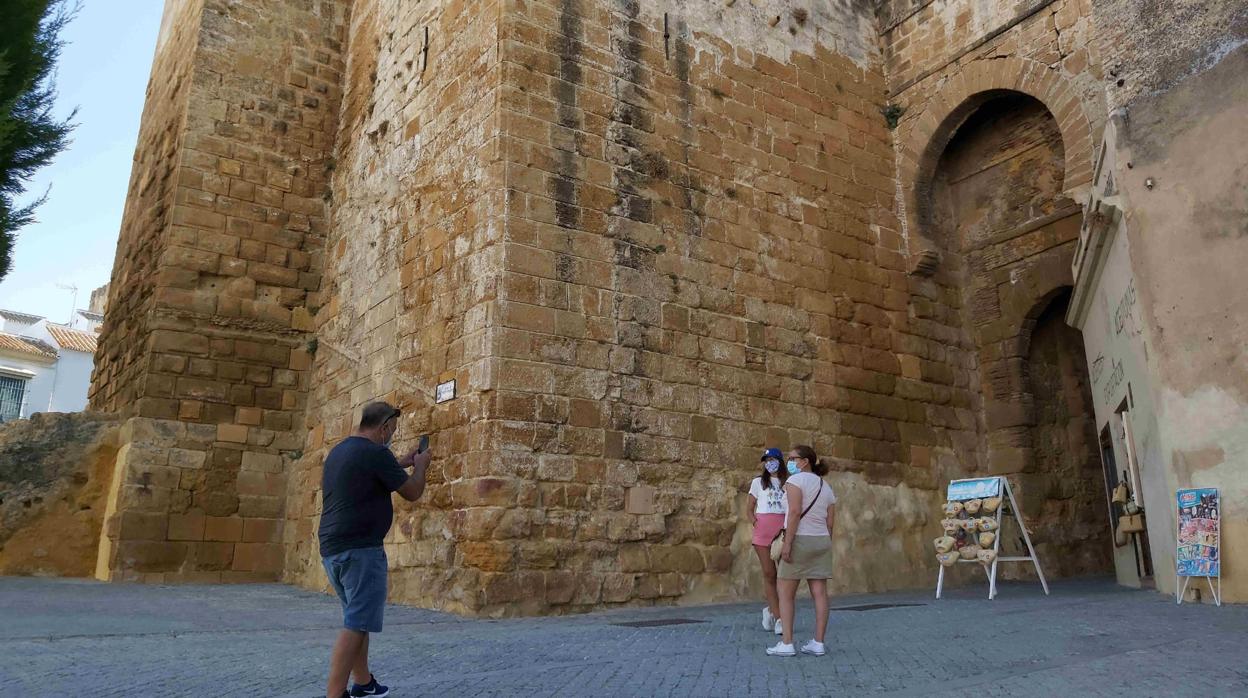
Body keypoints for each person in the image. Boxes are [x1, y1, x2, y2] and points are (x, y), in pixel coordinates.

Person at [319, 401, 432, 698]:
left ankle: (364, 682)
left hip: (332, 549)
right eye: (392, 430)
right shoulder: (376, 452)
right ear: (383, 428)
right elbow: (412, 491)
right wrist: (420, 467)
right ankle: (334, 694)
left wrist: (403, 463)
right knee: (357, 623)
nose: (392, 435)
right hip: (361, 551)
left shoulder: (341, 451)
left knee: (358, 617)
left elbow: (370, 471)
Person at [767, 445, 836, 658]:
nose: (790, 462)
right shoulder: (826, 486)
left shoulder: (795, 481)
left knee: (785, 593)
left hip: (799, 539)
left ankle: (787, 643)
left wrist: (788, 543)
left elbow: (794, 512)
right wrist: (825, 543)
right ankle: (818, 642)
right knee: (820, 593)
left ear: (805, 461)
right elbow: (830, 521)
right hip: (821, 540)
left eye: (793, 458)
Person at [747, 447, 788, 637]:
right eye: (766, 460)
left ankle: (771, 610)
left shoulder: (788, 482)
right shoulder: (758, 482)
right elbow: (749, 508)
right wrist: (756, 522)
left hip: (782, 531)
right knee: (769, 574)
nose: (769, 463)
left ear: (780, 461)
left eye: (773, 459)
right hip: (763, 531)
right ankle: (779, 619)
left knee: (785, 575)